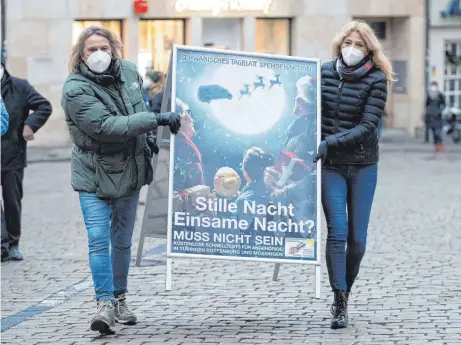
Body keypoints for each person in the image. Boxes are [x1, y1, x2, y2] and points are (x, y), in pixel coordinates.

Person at [61, 26, 181, 334]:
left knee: (122, 242)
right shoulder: (74, 88)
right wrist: (155, 120)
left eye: (104, 47)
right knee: (99, 239)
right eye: (91, 49)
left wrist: (150, 139)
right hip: (94, 173)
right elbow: (106, 126)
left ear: (114, 48)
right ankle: (104, 304)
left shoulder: (129, 71)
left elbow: (136, 107)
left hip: (129, 170)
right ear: (81, 54)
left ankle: (119, 298)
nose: (99, 54)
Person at [313, 20, 393, 329]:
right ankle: (340, 299)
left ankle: (346, 286)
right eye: (348, 43)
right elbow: (309, 111)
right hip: (331, 165)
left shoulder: (376, 80)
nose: (352, 50)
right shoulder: (323, 72)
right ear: (339, 45)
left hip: (362, 165)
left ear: (369, 49)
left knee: (357, 241)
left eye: (359, 45)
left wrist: (328, 141)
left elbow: (367, 126)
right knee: (338, 231)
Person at [1, 54, 52, 262]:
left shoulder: (19, 86)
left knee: (12, 201)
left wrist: (29, 124)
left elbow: (44, 106)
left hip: (12, 154)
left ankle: (13, 243)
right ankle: (2, 245)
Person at [174, 98, 203, 191]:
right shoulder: (182, 142)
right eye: (188, 113)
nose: (191, 119)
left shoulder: (179, 140)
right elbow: (193, 179)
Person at [425, 81, 446, 152]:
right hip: (431, 117)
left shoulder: (440, 95)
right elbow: (426, 105)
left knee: (438, 132)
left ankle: (440, 145)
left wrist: (440, 111)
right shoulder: (429, 96)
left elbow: (444, 104)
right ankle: (436, 146)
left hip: (438, 116)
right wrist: (428, 113)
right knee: (434, 132)